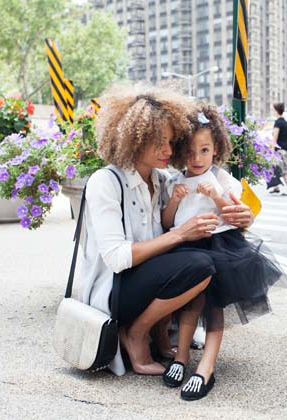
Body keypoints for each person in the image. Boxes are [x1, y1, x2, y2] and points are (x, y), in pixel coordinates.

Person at [79, 86, 254, 379]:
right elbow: (117, 258)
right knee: (198, 263)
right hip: (114, 289)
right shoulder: (105, 182)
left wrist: (244, 216)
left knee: (202, 262)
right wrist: (181, 234)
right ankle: (135, 333)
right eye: (160, 143)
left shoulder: (162, 181)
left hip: (146, 283)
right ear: (134, 140)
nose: (169, 152)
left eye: (172, 142)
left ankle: (160, 334)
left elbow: (206, 206)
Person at [160, 104, 287, 401]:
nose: (196, 158)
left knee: (214, 308)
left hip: (220, 248)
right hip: (186, 247)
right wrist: (176, 202)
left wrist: (215, 195)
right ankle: (180, 358)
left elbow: (233, 214)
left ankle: (206, 366)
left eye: (204, 151)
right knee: (188, 305)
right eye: (190, 152)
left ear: (216, 148)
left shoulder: (223, 179)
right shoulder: (174, 181)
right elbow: (168, 223)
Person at [270, 102, 287, 195]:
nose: (272, 111)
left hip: (280, 150)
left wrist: (272, 150)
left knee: (284, 170)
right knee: (275, 167)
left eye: (273, 110)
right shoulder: (285, 123)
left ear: (276, 111)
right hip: (286, 148)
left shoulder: (278, 122)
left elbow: (275, 137)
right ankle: (276, 187)